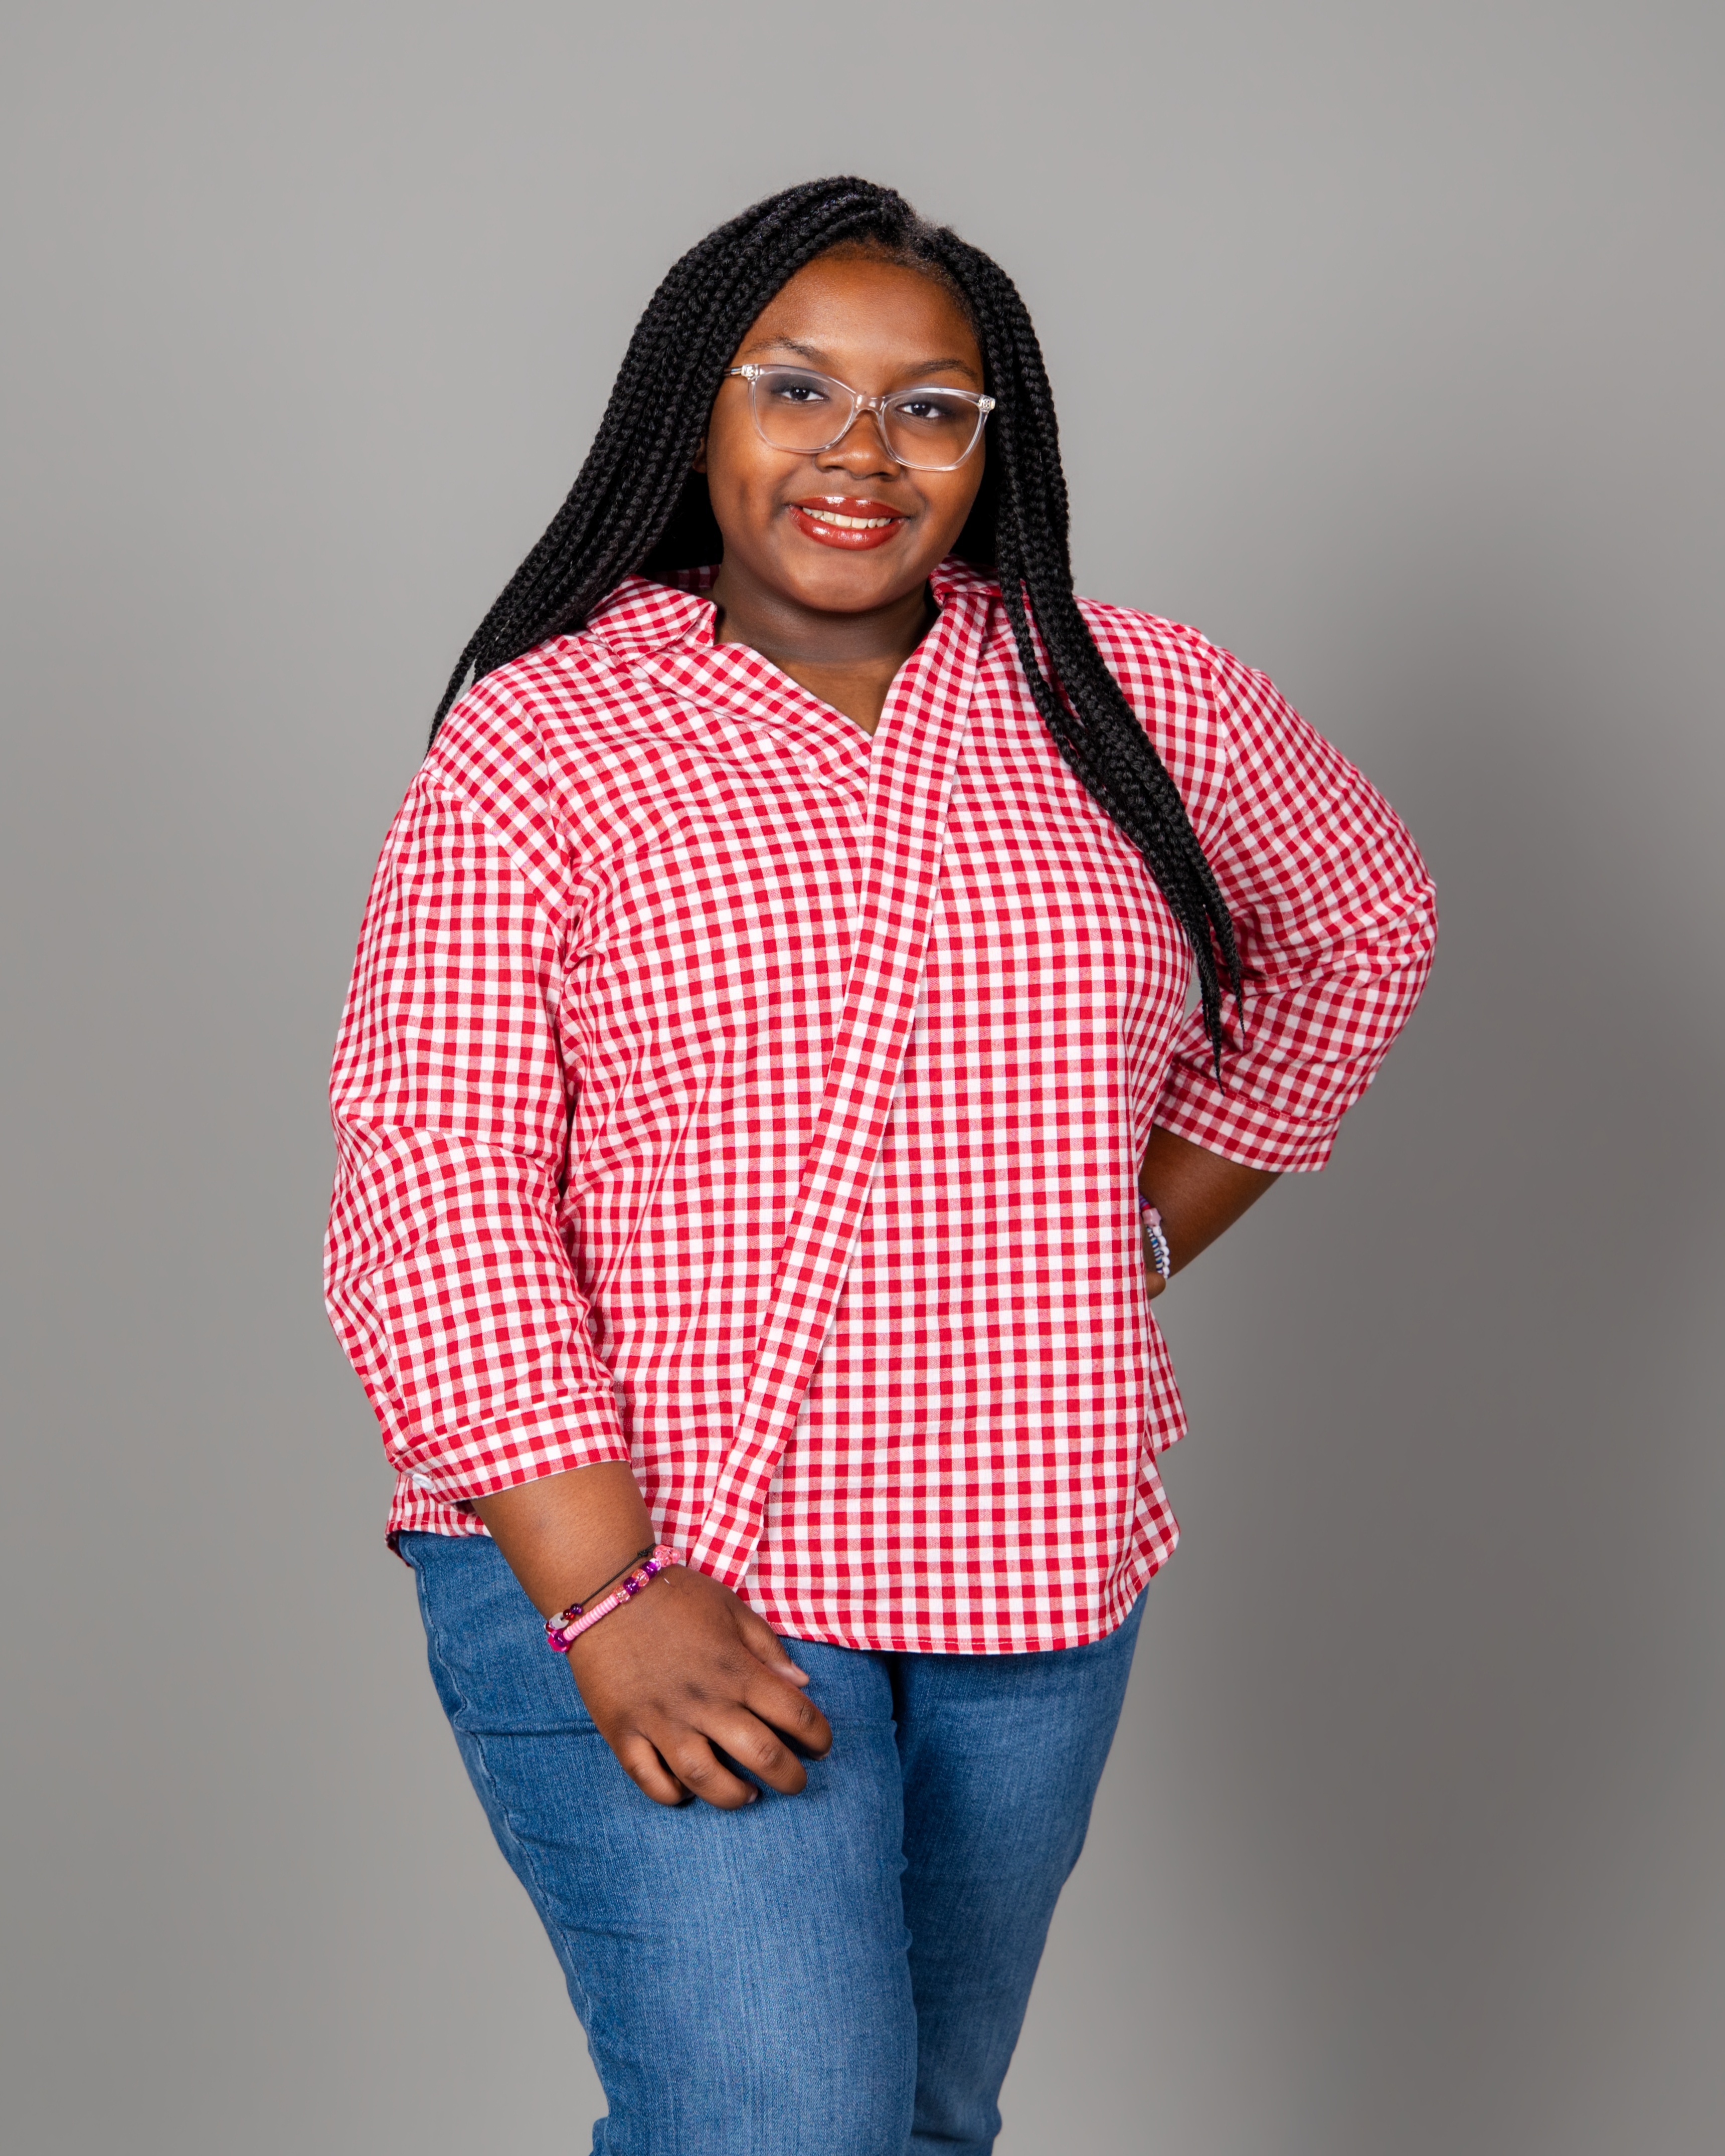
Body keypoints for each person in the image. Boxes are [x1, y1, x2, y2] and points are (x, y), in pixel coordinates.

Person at [324, 177, 1436, 2156]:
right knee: (780, 2126)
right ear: (694, 409)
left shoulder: (1124, 693)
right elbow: (437, 1173)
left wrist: (1120, 1240)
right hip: (667, 1535)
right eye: (797, 388)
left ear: (991, 446)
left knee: (918, 2118)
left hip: (1029, 1543)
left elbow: (1360, 922)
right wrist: (606, 1594)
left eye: (929, 406)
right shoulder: (546, 737)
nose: (862, 452)